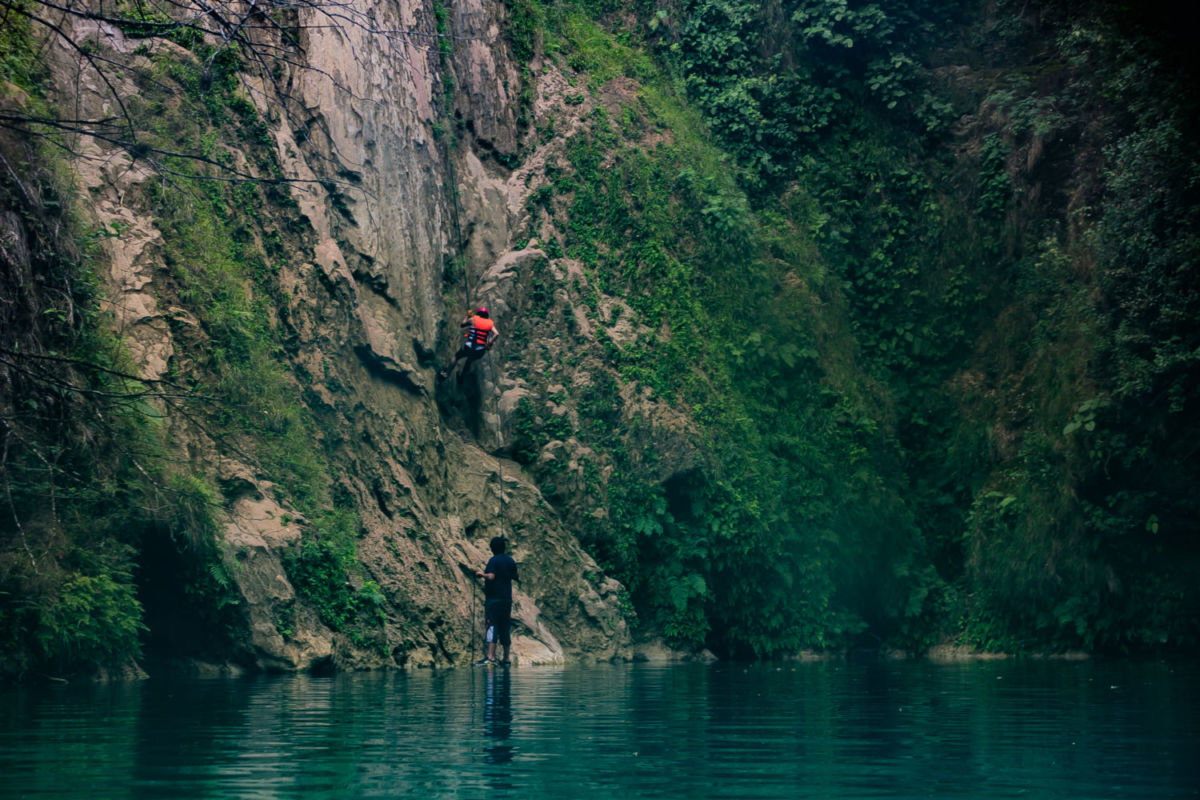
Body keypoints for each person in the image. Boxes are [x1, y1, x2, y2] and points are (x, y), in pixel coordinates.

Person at [475, 536, 519, 666]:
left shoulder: (493, 561)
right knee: (505, 626)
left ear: (492, 549)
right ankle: (506, 658)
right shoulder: (511, 561)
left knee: (491, 625)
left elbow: (491, 576)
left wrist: (481, 575)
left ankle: (490, 657)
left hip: (494, 599)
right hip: (506, 599)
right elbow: (515, 577)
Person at [439, 307, 498, 384]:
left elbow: (462, 325)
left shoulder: (473, 319)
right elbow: (496, 334)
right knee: (469, 360)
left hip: (469, 347)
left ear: (478, 313)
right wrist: (489, 344)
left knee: (457, 356)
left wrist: (468, 316)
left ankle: (446, 373)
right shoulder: (490, 323)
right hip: (480, 350)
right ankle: (461, 376)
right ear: (487, 315)